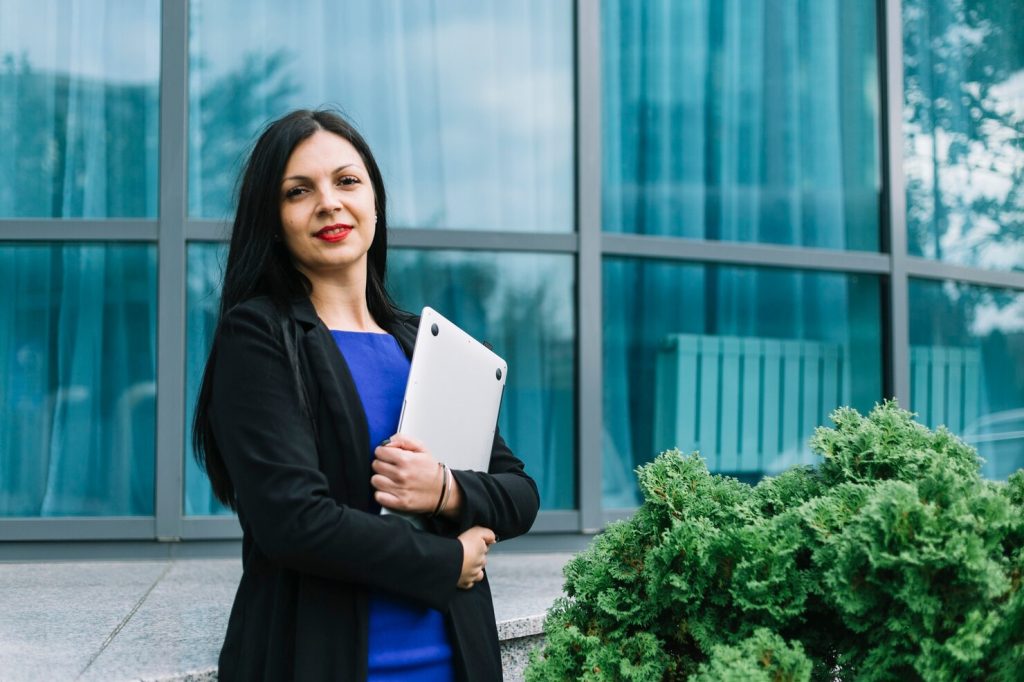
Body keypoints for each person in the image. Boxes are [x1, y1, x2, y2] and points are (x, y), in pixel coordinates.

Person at [192, 109, 540, 681]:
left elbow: (519, 492)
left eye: (346, 181)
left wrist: (446, 490)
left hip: (456, 664)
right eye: (298, 191)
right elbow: (294, 522)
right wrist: (448, 557)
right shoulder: (258, 336)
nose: (328, 202)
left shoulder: (423, 343)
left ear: (374, 200)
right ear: (273, 220)